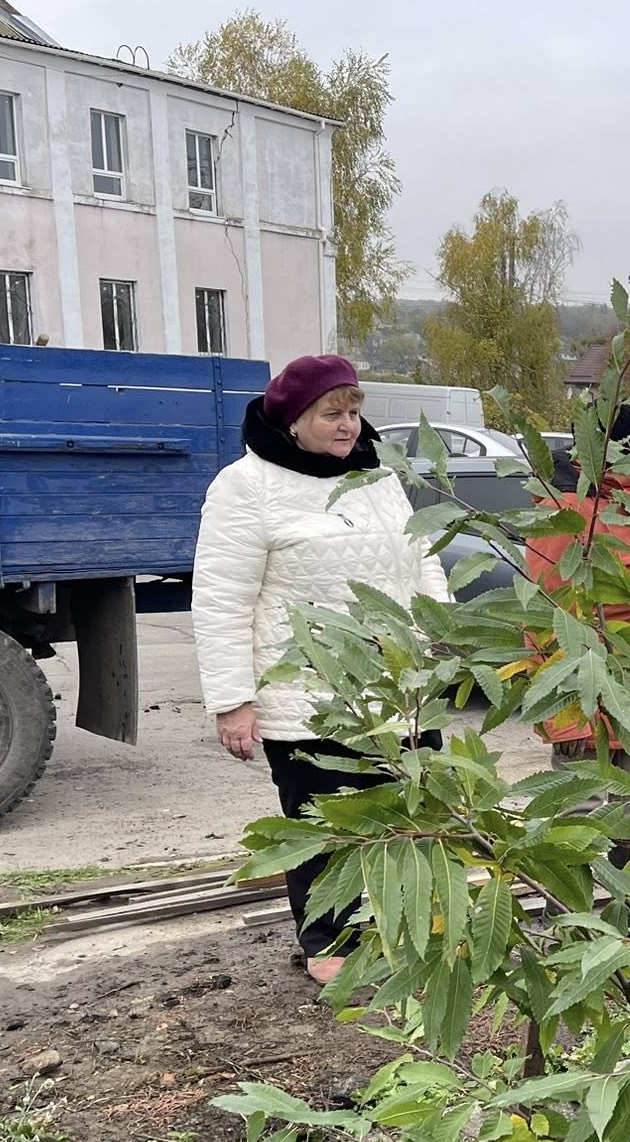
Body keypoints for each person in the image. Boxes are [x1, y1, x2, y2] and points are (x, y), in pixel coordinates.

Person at [192, 355, 451, 982]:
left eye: (354, 412)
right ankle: (328, 941)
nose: (348, 425)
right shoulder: (246, 486)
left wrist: (442, 637)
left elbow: (422, 561)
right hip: (311, 698)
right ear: (292, 421)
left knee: (412, 815)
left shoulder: (378, 477)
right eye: (332, 413)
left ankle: (402, 930)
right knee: (325, 824)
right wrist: (232, 701)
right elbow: (222, 601)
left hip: (402, 690)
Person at [523, 405, 630, 762]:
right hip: (595, 707)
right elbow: (549, 614)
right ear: (618, 452)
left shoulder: (628, 497)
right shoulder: (568, 510)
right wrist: (567, 721)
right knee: (591, 798)